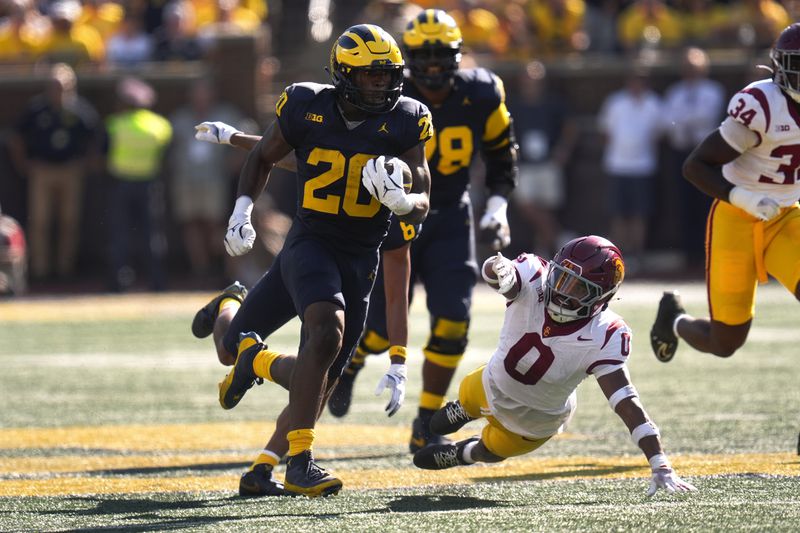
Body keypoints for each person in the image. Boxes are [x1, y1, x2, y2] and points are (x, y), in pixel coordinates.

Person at [191, 24, 432, 497]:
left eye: (386, 77)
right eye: (369, 77)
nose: (380, 87)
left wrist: (405, 203)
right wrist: (242, 210)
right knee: (324, 334)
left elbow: (423, 189)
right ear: (343, 75)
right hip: (310, 242)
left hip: (359, 259)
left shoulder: (407, 119)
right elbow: (266, 156)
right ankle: (301, 462)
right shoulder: (306, 104)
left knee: (298, 367)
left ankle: (262, 465)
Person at [327, 9, 518, 454]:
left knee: (454, 322)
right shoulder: (386, 90)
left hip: (450, 213)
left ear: (457, 56)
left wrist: (499, 206)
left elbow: (501, 154)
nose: (432, 65)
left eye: (440, 54)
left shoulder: (483, 92)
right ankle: (352, 362)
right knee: (377, 329)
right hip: (394, 215)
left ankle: (427, 421)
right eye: (424, 55)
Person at [412, 235, 697, 498]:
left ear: (602, 297)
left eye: (577, 288)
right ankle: (462, 409)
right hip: (490, 383)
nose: (562, 292)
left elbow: (624, 401)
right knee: (439, 421)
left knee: (492, 452)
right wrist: (499, 270)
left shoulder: (606, 333)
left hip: (535, 420)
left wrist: (659, 461)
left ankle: (462, 454)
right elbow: (498, 275)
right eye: (561, 279)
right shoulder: (535, 274)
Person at [650, 24, 800, 363]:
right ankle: (673, 320)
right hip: (736, 219)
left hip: (786, 215)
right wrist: (745, 198)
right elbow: (695, 166)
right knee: (725, 342)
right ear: (781, 67)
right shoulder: (763, 105)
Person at [8, 62, 100, 282]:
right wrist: (23, 163)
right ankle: (40, 270)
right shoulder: (36, 108)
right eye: (54, 86)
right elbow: (16, 137)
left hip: (70, 170)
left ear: (72, 87)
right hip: (43, 169)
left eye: (63, 87)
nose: (58, 91)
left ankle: (64, 269)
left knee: (69, 221)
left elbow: (96, 137)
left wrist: (86, 163)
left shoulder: (80, 110)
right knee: (40, 221)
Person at [104, 77, 173, 292]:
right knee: (152, 235)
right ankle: (157, 281)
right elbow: (166, 155)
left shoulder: (114, 124)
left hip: (121, 184)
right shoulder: (160, 126)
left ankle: (118, 283)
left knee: (120, 235)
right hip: (149, 184)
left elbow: (102, 152)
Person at [662, 47, 724, 273]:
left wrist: (683, 121)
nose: (691, 71)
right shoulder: (675, 92)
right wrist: (685, 121)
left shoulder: (713, 91)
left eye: (695, 66)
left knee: (706, 205)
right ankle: (689, 256)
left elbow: (706, 117)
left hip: (706, 155)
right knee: (684, 205)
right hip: (681, 153)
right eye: (687, 66)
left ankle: (709, 252)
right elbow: (668, 120)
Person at [597, 67, 663, 275]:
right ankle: (617, 257)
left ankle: (637, 256)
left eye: (641, 80)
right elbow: (605, 131)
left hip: (643, 167)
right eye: (634, 79)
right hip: (617, 166)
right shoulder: (615, 102)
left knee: (639, 214)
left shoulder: (654, 103)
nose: (637, 84)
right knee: (618, 213)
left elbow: (660, 133)